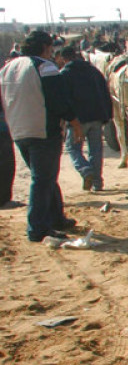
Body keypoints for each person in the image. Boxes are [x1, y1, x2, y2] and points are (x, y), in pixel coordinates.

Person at [0, 30, 79, 241]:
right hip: (43, 131)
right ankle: (38, 228)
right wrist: (73, 121)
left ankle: (55, 217)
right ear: (46, 48)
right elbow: (57, 99)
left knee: (45, 177)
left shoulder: (8, 68)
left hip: (18, 130)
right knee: (43, 180)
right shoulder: (45, 67)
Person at [55, 45, 112, 191]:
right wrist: (107, 116)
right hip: (97, 118)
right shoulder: (93, 71)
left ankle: (86, 170)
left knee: (72, 148)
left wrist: (63, 119)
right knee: (96, 150)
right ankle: (97, 183)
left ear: (63, 58)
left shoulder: (63, 74)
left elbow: (63, 99)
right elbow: (106, 93)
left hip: (77, 121)